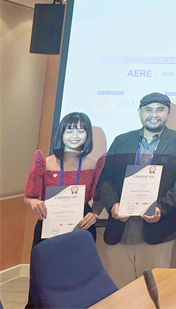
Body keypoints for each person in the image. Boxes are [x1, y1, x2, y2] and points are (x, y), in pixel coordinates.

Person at [96, 92, 176, 287]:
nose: (154, 114)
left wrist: (161, 207)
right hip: (120, 228)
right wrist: (113, 205)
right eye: (148, 110)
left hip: (159, 229)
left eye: (160, 110)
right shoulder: (121, 140)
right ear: (139, 112)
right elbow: (106, 178)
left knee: (152, 291)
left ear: (168, 113)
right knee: (121, 291)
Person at [24, 112, 104, 309]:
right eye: (70, 130)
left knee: (78, 278)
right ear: (61, 133)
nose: (75, 135)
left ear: (87, 135)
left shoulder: (94, 164)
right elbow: (29, 196)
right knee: (43, 276)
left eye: (81, 130)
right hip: (49, 225)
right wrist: (34, 203)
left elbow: (99, 199)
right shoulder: (44, 162)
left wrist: (95, 213)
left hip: (81, 228)